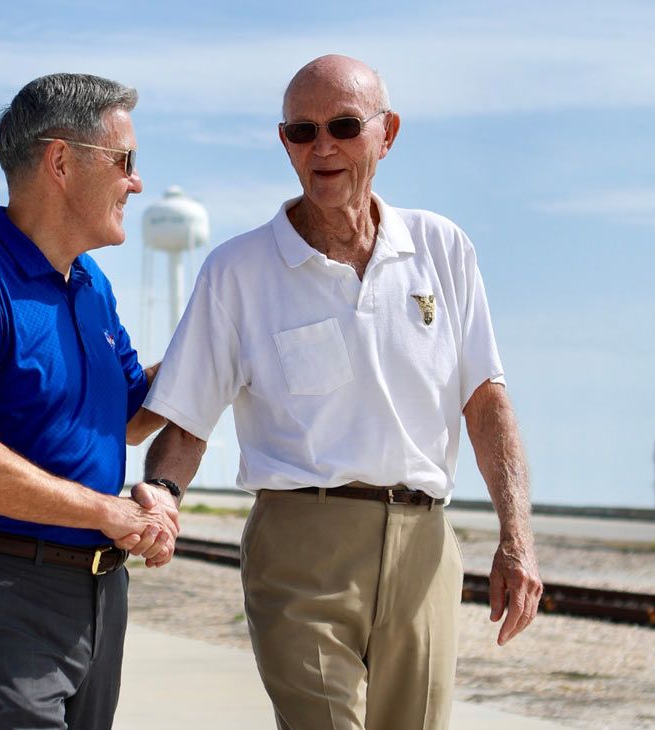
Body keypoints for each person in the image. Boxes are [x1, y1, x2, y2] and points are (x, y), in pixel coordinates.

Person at [139, 55, 544, 729]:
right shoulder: (236, 270)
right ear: (284, 142)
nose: (322, 146)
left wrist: (518, 539)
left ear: (387, 134)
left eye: (345, 126)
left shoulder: (444, 248)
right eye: (302, 130)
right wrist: (163, 496)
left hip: (425, 549)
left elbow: (486, 404)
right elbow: (187, 420)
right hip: (300, 553)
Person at [0, 73, 178, 730]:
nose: (136, 182)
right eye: (125, 161)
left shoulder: (92, 287)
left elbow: (132, 418)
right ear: (61, 160)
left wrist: (226, 349)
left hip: (100, 593)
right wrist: (104, 511)